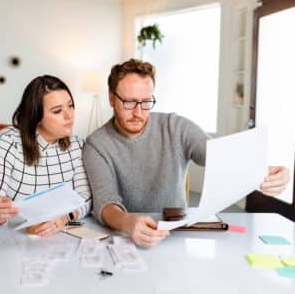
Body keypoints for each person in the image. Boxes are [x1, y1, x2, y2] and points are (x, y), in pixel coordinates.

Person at [83, 59, 290, 248]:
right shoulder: (96, 144)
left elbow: (218, 157)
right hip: (125, 238)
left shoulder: (175, 126)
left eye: (146, 102)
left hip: (176, 235)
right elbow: (105, 201)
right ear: (111, 98)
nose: (138, 112)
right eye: (129, 102)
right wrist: (127, 222)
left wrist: (265, 171)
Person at [0, 75, 92, 237]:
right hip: (3, 236)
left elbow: (85, 199)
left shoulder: (77, 145)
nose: (69, 116)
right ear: (36, 115)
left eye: (71, 106)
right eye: (57, 111)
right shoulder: (6, 142)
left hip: (52, 237)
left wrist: (64, 218)